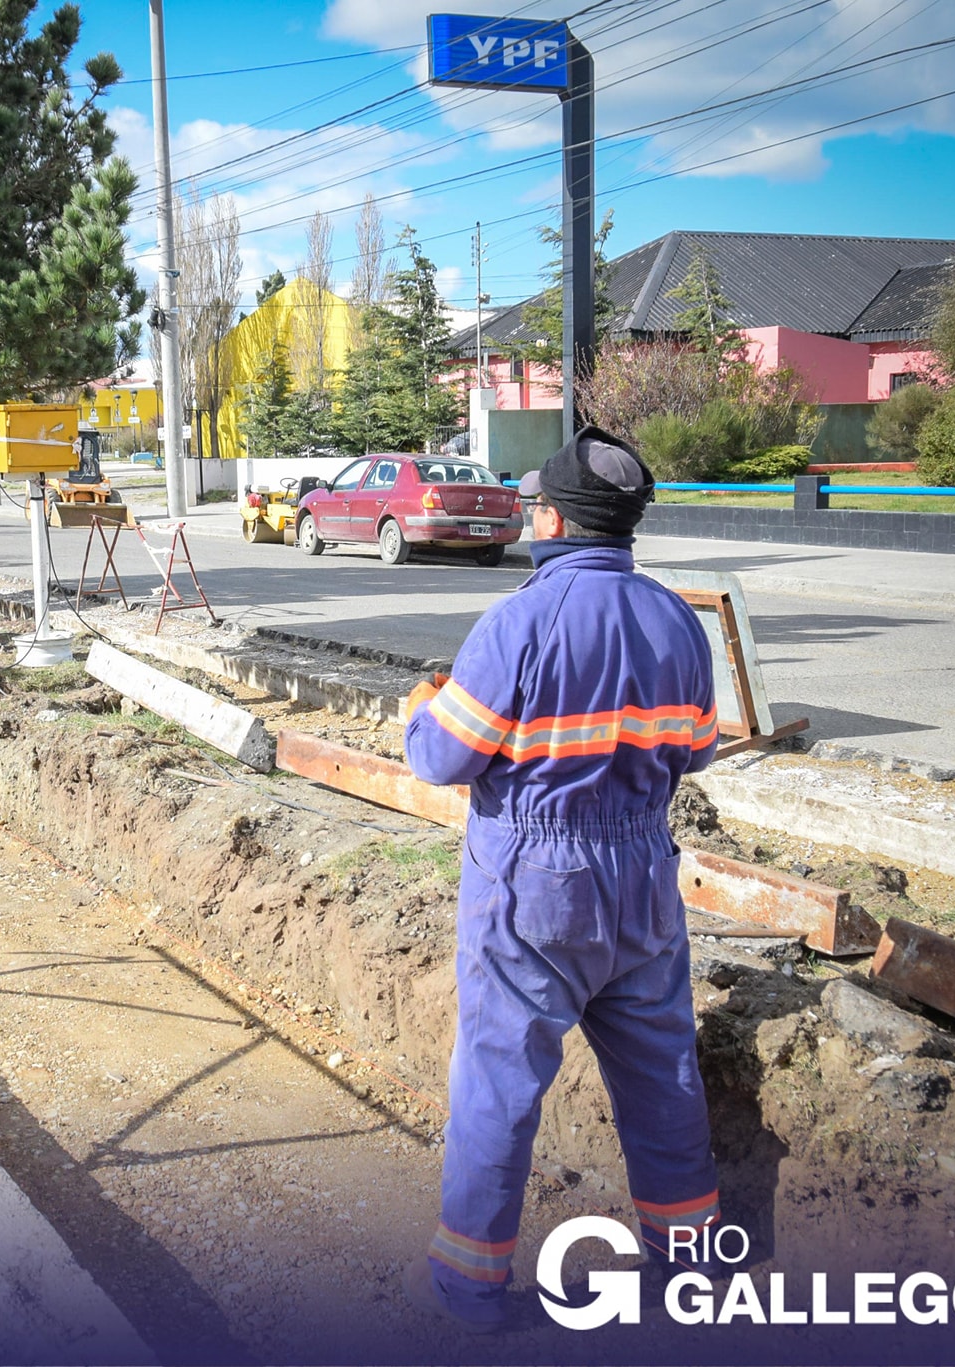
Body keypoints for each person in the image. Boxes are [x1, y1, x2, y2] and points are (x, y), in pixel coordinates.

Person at [400, 427, 723, 1330]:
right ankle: (690, 1258)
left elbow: (443, 757)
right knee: (664, 1074)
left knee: (501, 1082)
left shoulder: (517, 622)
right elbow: (693, 749)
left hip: (534, 883)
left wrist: (420, 710)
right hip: (643, 879)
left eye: (536, 501)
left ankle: (471, 1284)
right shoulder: (675, 618)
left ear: (553, 517)